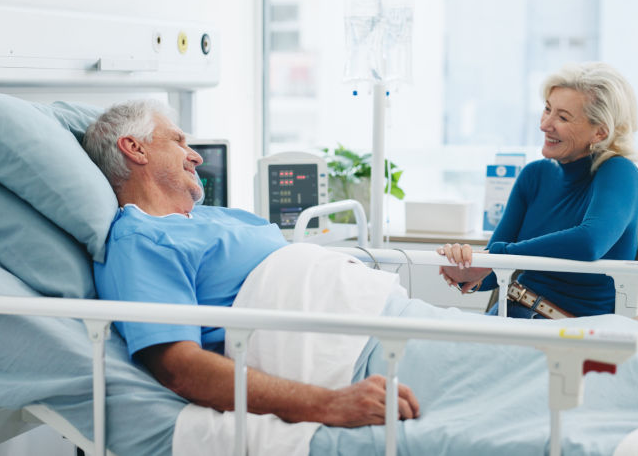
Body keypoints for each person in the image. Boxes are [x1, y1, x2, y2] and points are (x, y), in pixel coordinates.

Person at [82, 99, 420, 427]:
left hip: (376, 313)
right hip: (353, 353)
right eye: (178, 141)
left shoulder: (210, 217)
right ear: (135, 148)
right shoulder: (140, 240)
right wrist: (329, 404)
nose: (196, 156)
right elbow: (178, 367)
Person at [439, 62, 638, 319]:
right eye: (547, 110)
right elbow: (492, 274)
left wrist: (496, 255)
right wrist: (465, 271)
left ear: (600, 132)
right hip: (509, 313)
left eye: (563, 117)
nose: (545, 124)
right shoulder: (535, 175)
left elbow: (590, 242)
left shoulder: (618, 172)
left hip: (563, 331)